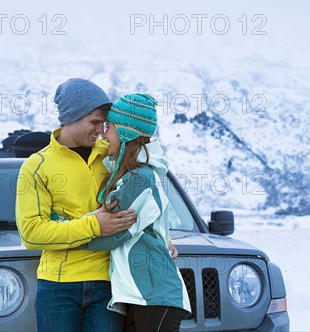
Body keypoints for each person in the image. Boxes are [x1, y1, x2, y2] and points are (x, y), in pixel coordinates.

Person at [16, 78, 137, 332]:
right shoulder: (36, 166)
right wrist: (94, 225)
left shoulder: (111, 155)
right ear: (71, 117)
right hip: (58, 287)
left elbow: (144, 195)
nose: (101, 130)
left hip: (108, 283)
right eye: (94, 122)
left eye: (104, 124)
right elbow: (32, 233)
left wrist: (164, 238)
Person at [80, 93, 191, 332]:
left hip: (156, 296)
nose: (103, 134)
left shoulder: (140, 178)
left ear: (125, 133)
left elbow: (114, 233)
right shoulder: (136, 175)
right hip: (143, 296)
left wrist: (65, 233)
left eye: (109, 127)